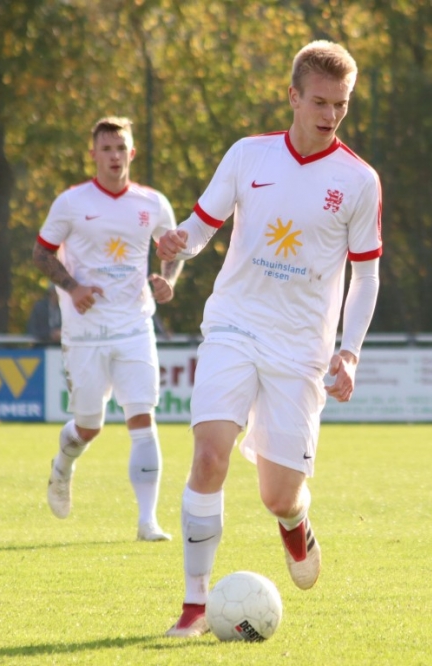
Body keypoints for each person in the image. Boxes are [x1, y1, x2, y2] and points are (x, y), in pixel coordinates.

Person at [157, 40, 382, 637]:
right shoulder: (247, 155)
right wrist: (179, 242)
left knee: (279, 496)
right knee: (209, 456)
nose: (331, 114)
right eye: (320, 101)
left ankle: (295, 523)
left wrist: (350, 350)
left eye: (341, 103)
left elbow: (366, 274)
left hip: (302, 348)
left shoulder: (359, 180)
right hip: (234, 324)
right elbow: (200, 227)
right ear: (293, 97)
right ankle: (194, 605)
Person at [32, 116, 182, 542]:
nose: (114, 156)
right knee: (88, 426)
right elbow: (41, 254)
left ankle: (148, 521)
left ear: (131, 153)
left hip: (135, 326)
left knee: (142, 416)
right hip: (85, 333)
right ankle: (63, 465)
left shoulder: (153, 203)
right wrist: (73, 288)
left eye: (121, 148)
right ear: (94, 154)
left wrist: (167, 279)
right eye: (106, 149)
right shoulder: (71, 202)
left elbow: (172, 248)